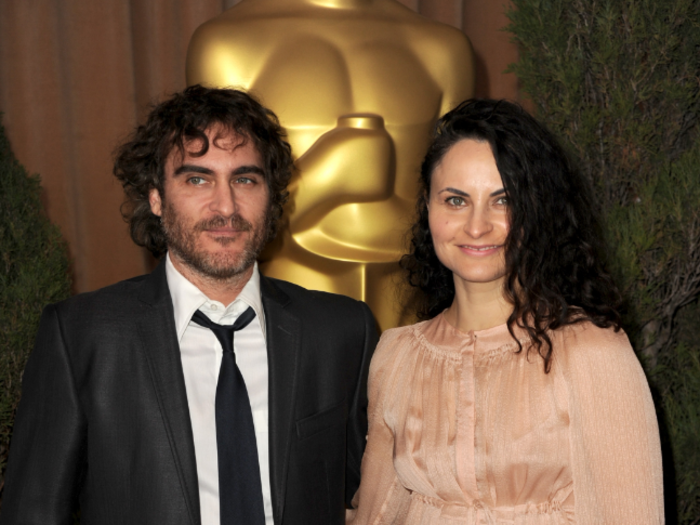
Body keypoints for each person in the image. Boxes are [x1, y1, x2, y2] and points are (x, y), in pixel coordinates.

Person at [0, 85, 378, 525]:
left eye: (245, 179)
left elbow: (375, 500)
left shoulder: (342, 332)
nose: (226, 206)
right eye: (197, 179)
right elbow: (33, 511)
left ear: (270, 195)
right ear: (156, 197)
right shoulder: (82, 336)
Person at [346, 99, 664, 524]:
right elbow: (377, 513)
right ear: (428, 208)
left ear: (535, 211)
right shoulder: (396, 355)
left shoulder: (591, 350)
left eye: (503, 201)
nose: (477, 226)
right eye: (456, 200)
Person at [186, 0, 474, 331]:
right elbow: (213, 209)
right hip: (285, 323)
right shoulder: (226, 45)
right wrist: (325, 177)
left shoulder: (443, 49)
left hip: (416, 321)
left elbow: (462, 200)